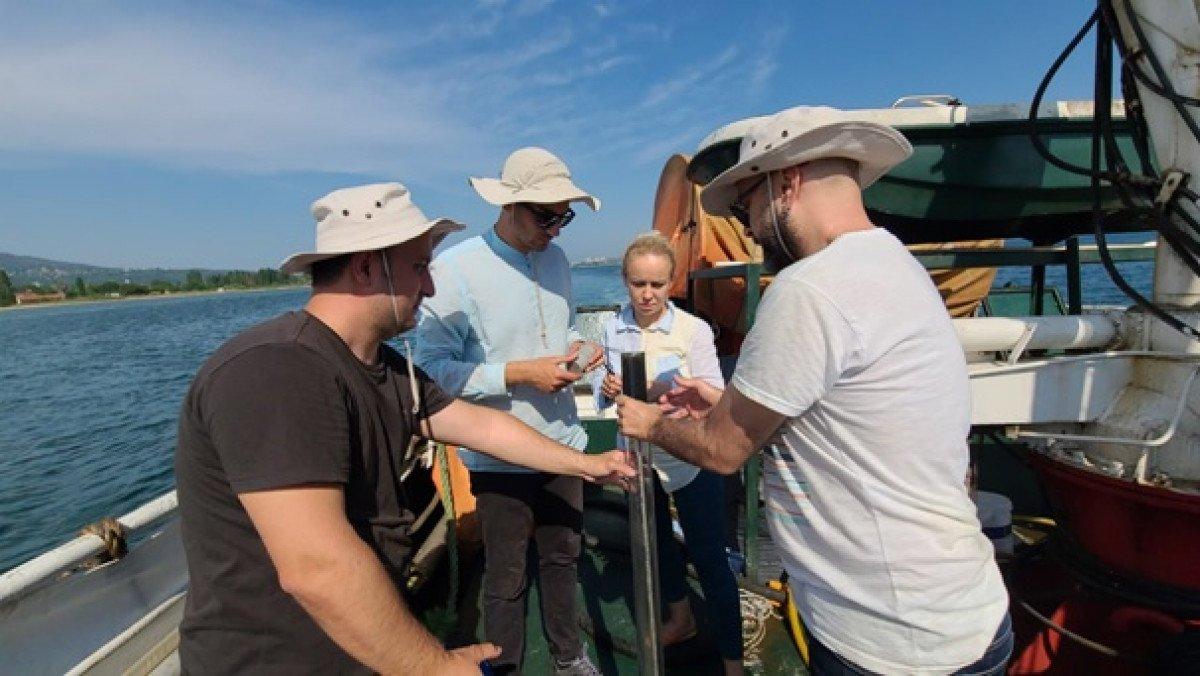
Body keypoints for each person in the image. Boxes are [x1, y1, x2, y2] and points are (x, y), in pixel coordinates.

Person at [615, 107, 1013, 675]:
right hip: (964, 617)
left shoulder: (809, 288)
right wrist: (720, 400)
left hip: (886, 640)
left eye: (746, 202)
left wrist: (650, 423)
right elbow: (843, 407)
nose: (745, 226)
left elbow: (723, 452)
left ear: (787, 182)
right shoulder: (897, 265)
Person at [175, 182, 633, 675]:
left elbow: (482, 426)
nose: (431, 288)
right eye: (419, 268)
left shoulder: (387, 371)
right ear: (367, 265)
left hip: (356, 651)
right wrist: (431, 666)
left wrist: (587, 463)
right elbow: (316, 566)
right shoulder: (278, 367)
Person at [412, 148, 605, 676]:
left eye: (564, 215)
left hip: (564, 445)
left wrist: (580, 353)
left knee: (563, 560)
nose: (558, 229)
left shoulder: (557, 260)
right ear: (509, 206)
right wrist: (518, 374)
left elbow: (560, 332)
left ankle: (569, 657)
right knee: (506, 578)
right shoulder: (453, 272)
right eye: (547, 216)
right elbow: (430, 372)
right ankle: (505, 668)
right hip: (499, 456)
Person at [592, 232, 744, 674]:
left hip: (690, 459)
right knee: (657, 544)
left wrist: (676, 397)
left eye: (657, 284)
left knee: (710, 556)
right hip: (640, 462)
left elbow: (715, 393)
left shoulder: (692, 331)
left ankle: (732, 660)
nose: (647, 294)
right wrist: (607, 389)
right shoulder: (611, 327)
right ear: (625, 281)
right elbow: (606, 395)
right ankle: (681, 618)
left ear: (671, 282)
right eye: (639, 283)